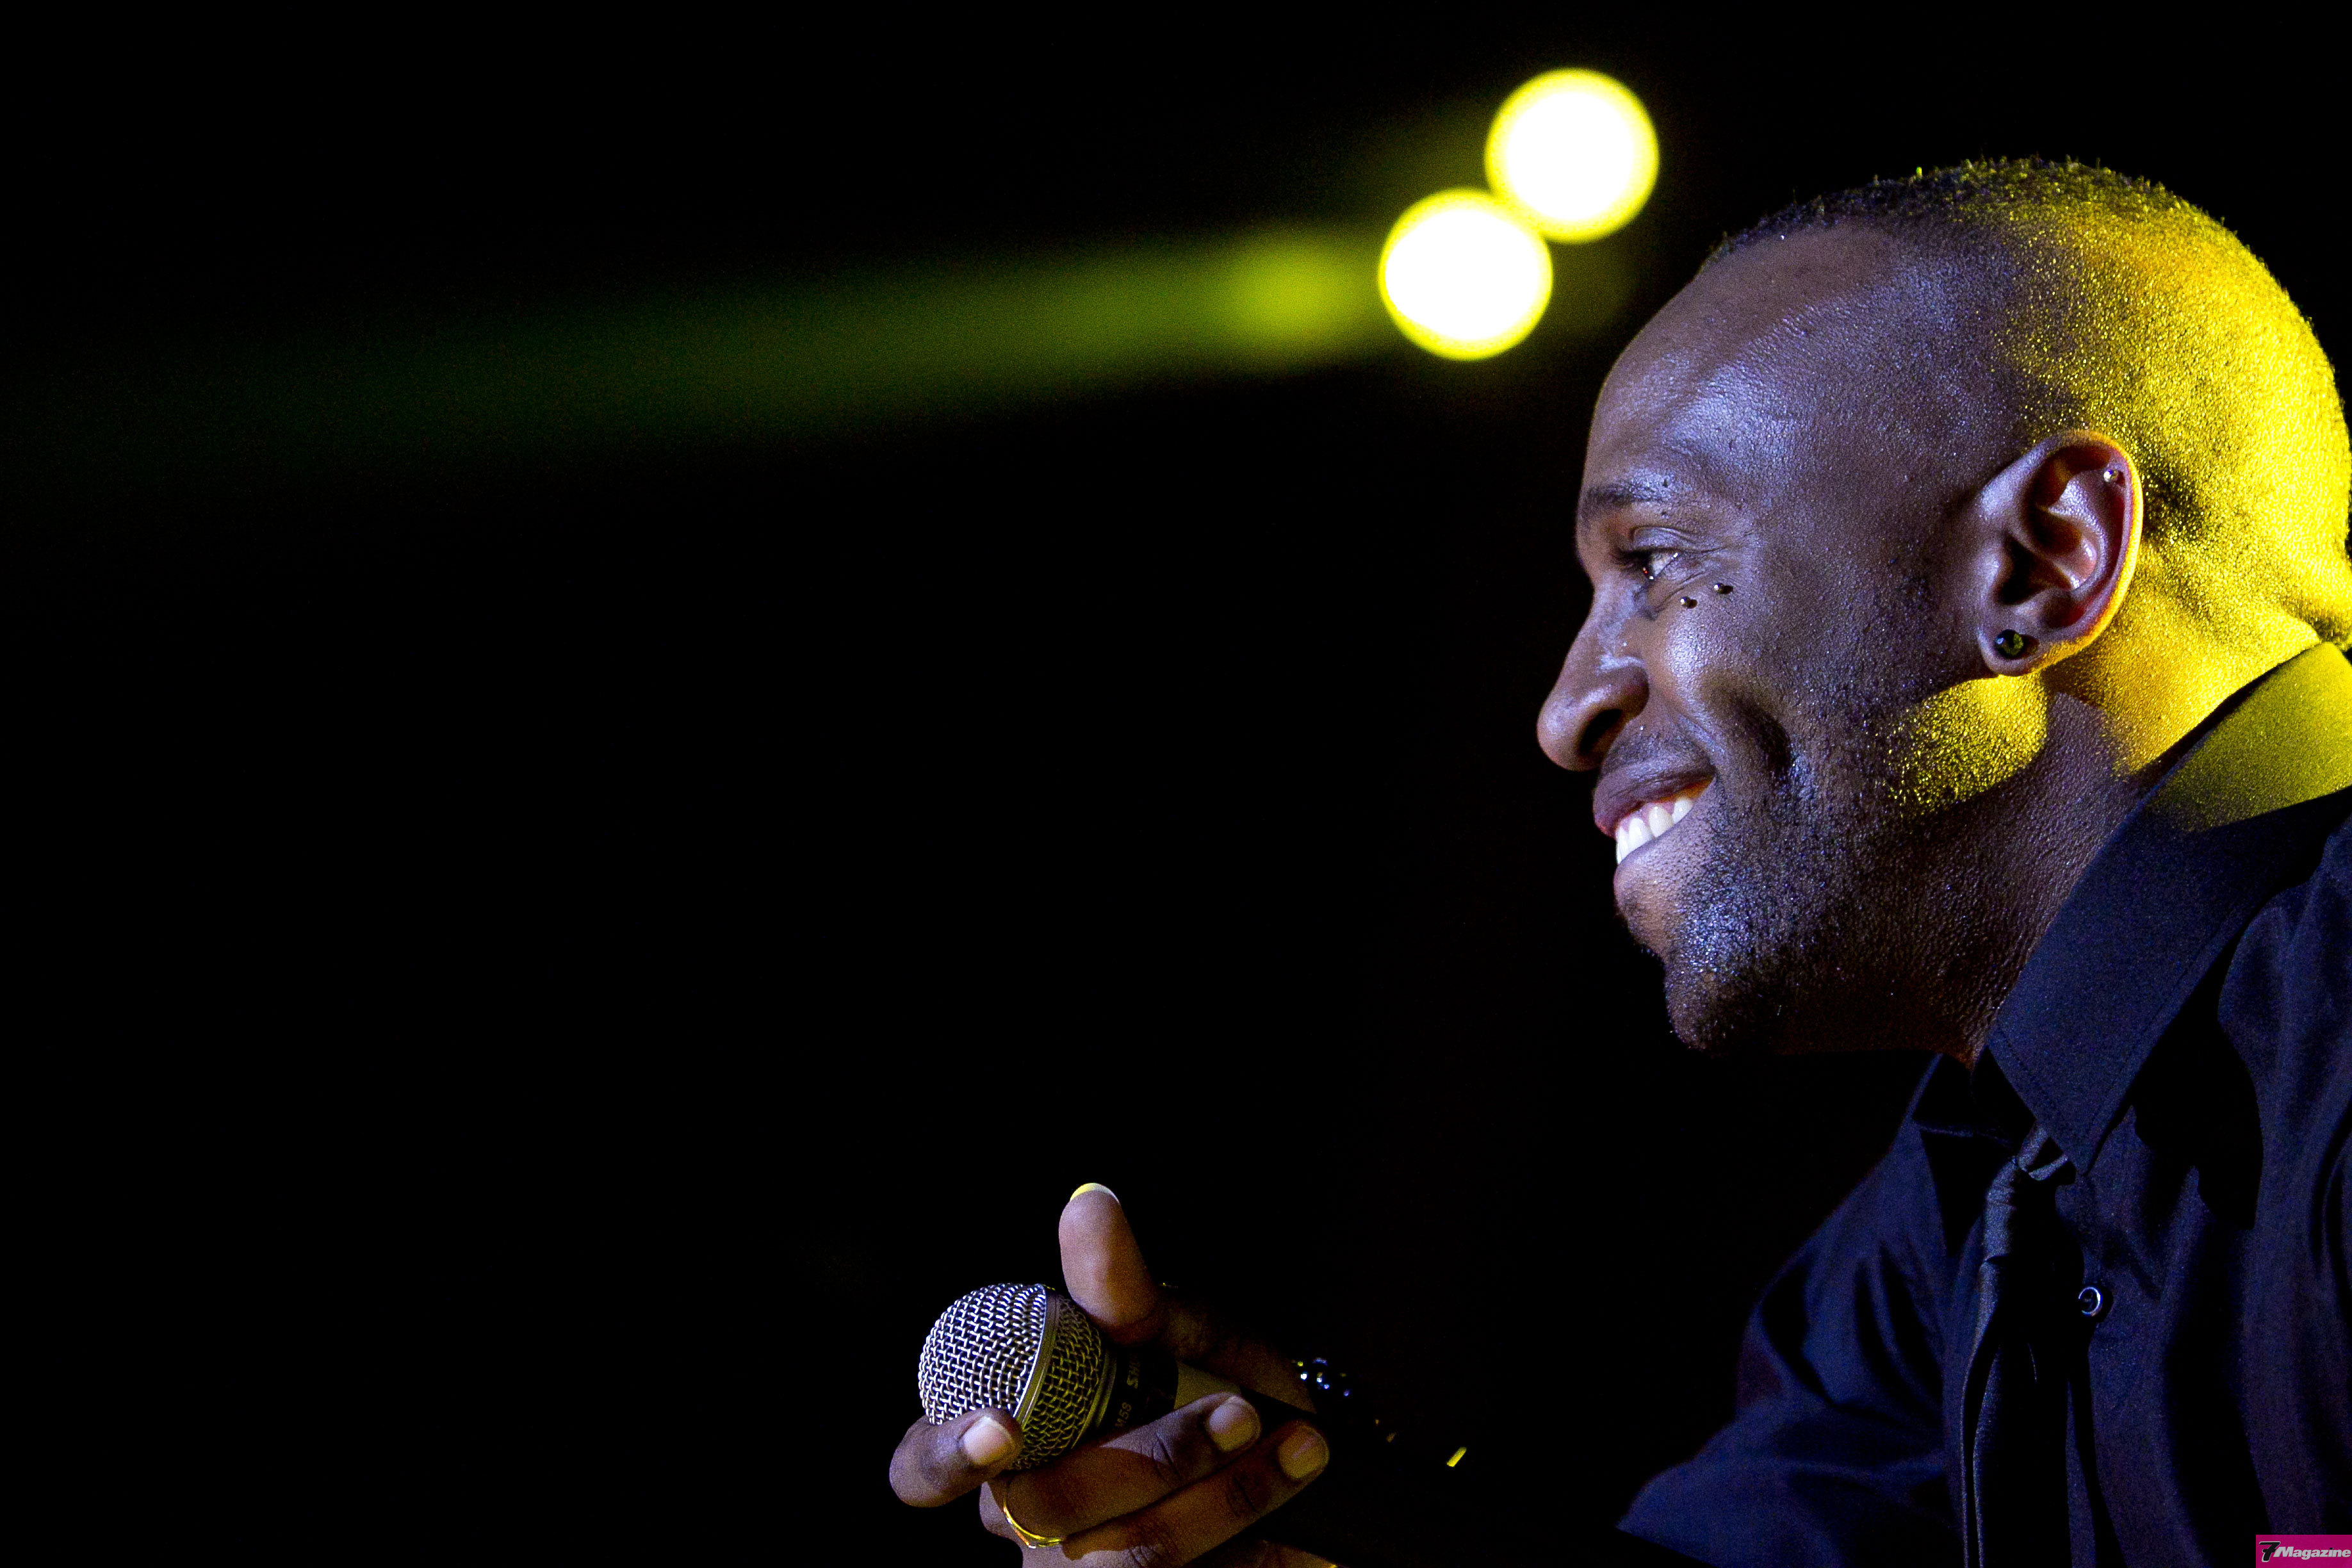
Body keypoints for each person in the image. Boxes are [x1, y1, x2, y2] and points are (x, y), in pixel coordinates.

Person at [886, 159, 2352, 1565]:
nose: (1565, 712)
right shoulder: (1948, 1225)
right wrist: (1314, 1514)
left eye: (1653, 559)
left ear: (2044, 559)